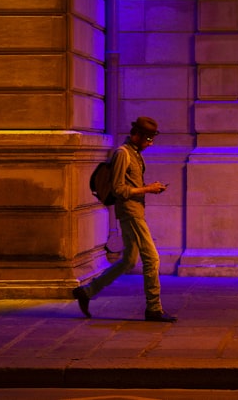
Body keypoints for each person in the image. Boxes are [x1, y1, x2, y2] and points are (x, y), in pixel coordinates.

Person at [73, 116, 177, 322]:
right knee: (152, 258)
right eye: (147, 139)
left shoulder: (136, 153)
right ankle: (153, 308)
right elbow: (119, 189)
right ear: (136, 135)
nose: (150, 143)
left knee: (129, 261)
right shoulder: (123, 153)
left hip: (136, 210)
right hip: (130, 212)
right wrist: (149, 189)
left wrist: (151, 188)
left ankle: (87, 292)